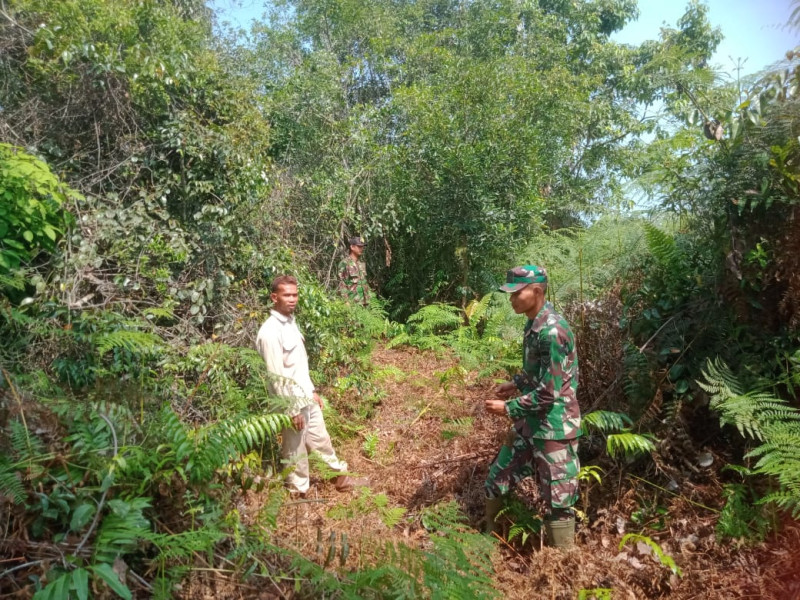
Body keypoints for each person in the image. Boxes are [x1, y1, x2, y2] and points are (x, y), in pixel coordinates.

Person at [483, 265, 582, 549]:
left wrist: (509, 408)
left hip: (555, 427)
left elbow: (550, 392)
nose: (511, 300)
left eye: (517, 293)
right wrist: (515, 383)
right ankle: (487, 544)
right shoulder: (533, 323)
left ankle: (562, 565)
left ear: (537, 292)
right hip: (530, 423)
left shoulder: (553, 331)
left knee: (559, 501)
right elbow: (536, 371)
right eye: (510, 294)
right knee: (497, 478)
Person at [256, 275, 366, 496]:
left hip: (306, 395)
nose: (292, 299)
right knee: (295, 450)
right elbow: (277, 376)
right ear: (274, 297)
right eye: (287, 295)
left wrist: (313, 390)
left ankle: (340, 478)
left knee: (320, 439)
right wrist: (291, 410)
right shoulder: (269, 332)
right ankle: (299, 493)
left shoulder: (290, 322)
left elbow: (298, 365)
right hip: (291, 404)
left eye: (295, 295)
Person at [337, 236, 371, 307]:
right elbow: (342, 283)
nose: (361, 249)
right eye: (359, 246)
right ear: (352, 247)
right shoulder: (345, 263)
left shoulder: (361, 264)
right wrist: (346, 302)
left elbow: (363, 283)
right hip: (352, 303)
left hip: (364, 303)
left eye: (362, 247)